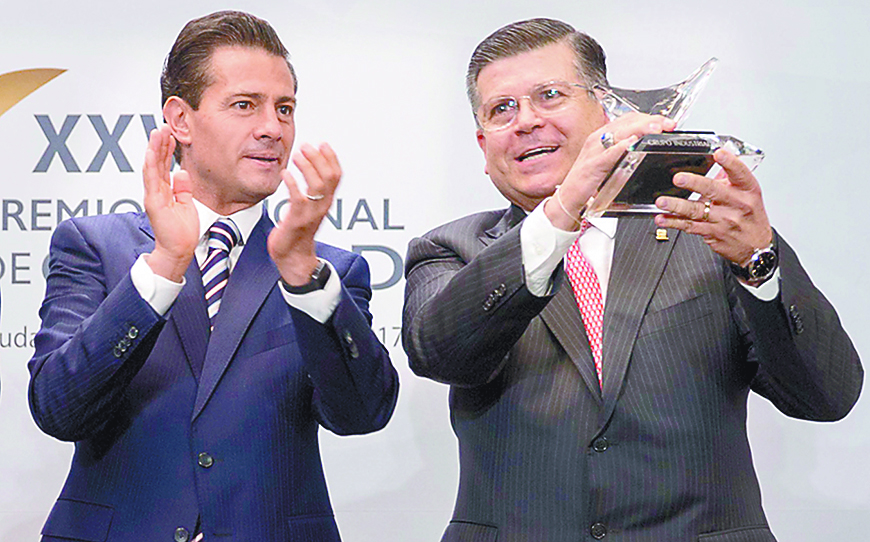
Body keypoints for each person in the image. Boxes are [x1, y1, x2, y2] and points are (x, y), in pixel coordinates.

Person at [402, 18, 862, 542]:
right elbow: (441, 354)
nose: (525, 121)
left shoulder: (710, 234)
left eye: (549, 95)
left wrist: (759, 264)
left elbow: (826, 397)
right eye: (501, 109)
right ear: (484, 147)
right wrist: (563, 209)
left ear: (606, 112)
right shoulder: (452, 250)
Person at [28, 11, 398, 542]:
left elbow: (361, 413)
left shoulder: (328, 273)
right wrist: (164, 267)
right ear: (180, 120)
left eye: (285, 108)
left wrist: (301, 274)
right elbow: (59, 410)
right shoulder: (94, 246)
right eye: (245, 105)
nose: (273, 128)